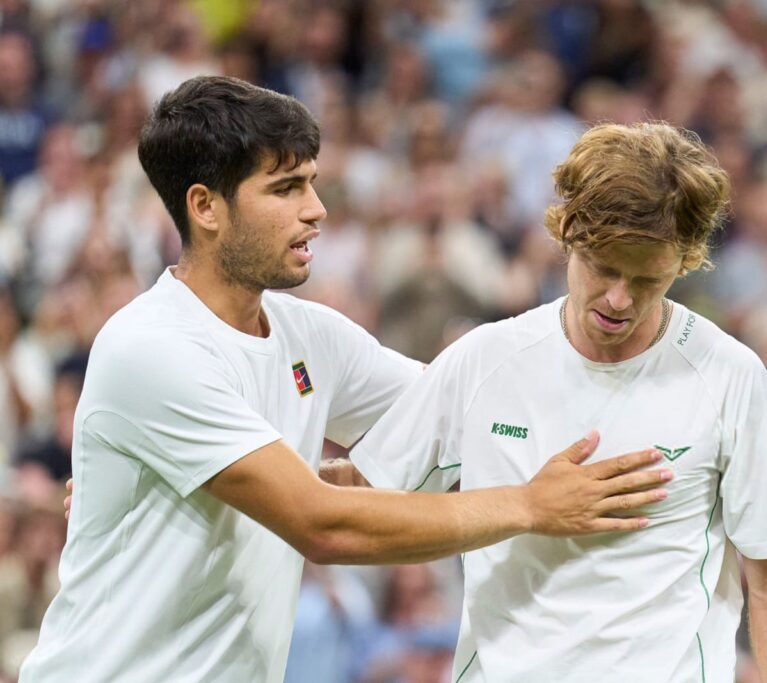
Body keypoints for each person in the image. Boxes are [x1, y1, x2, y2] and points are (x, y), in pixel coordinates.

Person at [19, 77, 673, 683]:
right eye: (285, 189)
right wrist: (529, 505)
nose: (317, 210)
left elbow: (473, 412)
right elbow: (323, 526)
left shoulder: (313, 338)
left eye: (311, 182)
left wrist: (672, 395)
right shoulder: (151, 349)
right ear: (205, 207)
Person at [349, 122, 767, 681]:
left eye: (648, 280)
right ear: (568, 231)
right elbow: (362, 510)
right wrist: (525, 506)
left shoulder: (731, 377)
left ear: (685, 261)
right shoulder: (482, 361)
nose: (620, 301)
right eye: (603, 268)